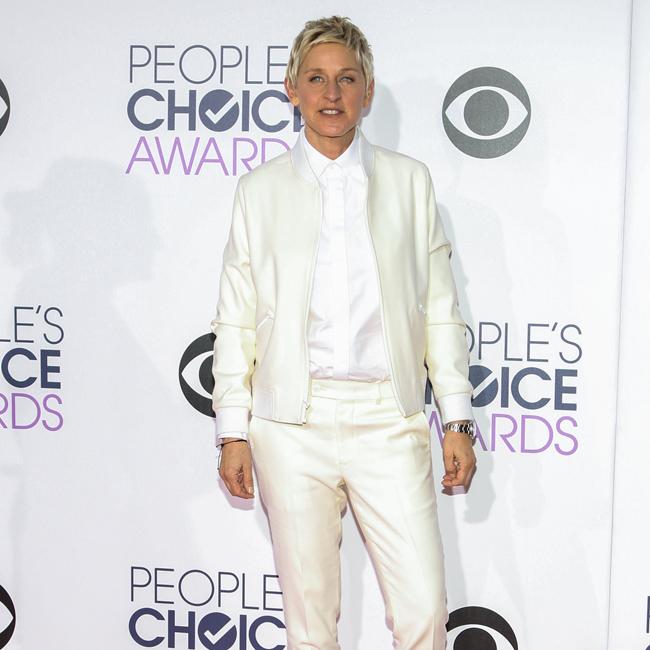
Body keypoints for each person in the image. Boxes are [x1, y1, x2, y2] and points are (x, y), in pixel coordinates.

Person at [210, 15, 476, 650]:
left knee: (424, 612)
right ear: (292, 89)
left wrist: (458, 419)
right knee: (310, 626)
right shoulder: (259, 190)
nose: (332, 94)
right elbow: (236, 317)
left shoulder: (410, 182)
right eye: (316, 79)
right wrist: (231, 431)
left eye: (347, 79)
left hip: (389, 418)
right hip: (290, 427)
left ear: (368, 90)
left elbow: (440, 309)